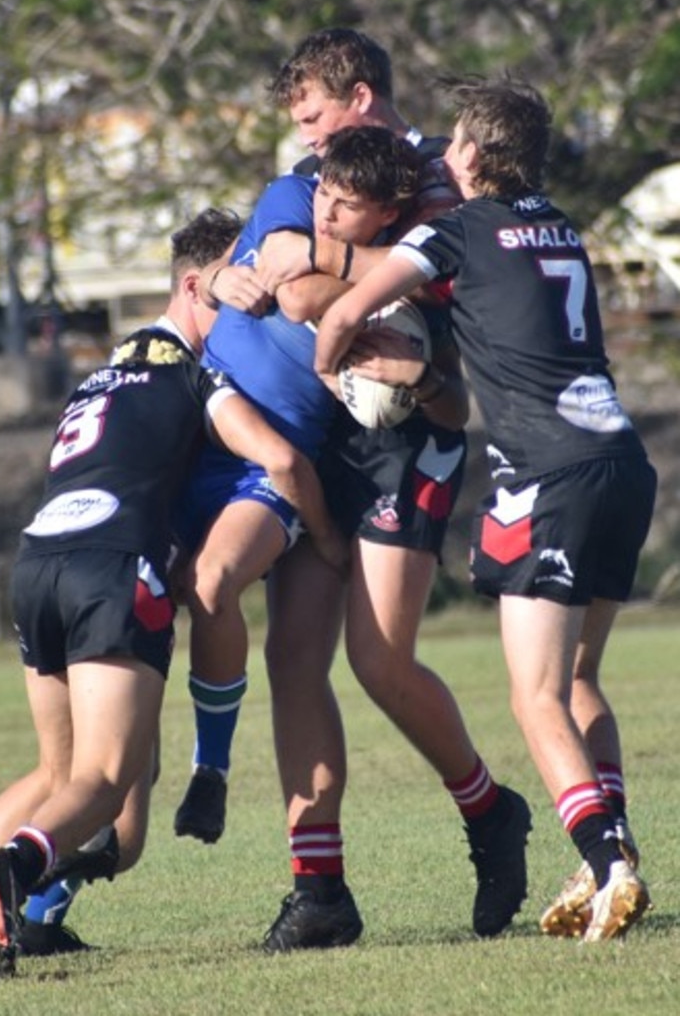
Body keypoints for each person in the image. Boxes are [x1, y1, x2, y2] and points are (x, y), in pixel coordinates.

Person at [0, 236, 346, 982]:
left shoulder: (101, 375)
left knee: (62, 779)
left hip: (37, 560)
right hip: (111, 571)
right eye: (234, 292)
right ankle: (9, 868)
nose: (250, 307)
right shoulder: (192, 375)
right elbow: (280, 460)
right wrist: (331, 540)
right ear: (193, 286)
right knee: (105, 785)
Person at [178, 36, 533, 947]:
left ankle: (490, 810)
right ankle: (321, 890)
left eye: (312, 116)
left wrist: (347, 286)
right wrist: (333, 278)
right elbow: (282, 282)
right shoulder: (304, 182)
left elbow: (427, 333)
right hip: (326, 439)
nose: (302, 140)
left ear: (360, 99)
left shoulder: (444, 185)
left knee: (379, 662)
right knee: (296, 661)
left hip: (409, 436)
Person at [314, 74, 656, 943]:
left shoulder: (457, 228)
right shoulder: (564, 228)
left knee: (534, 694)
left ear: (466, 154)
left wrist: (334, 370)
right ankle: (607, 855)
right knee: (580, 679)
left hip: (546, 471)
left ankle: (609, 859)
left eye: (455, 140)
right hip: (621, 459)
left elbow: (350, 307)